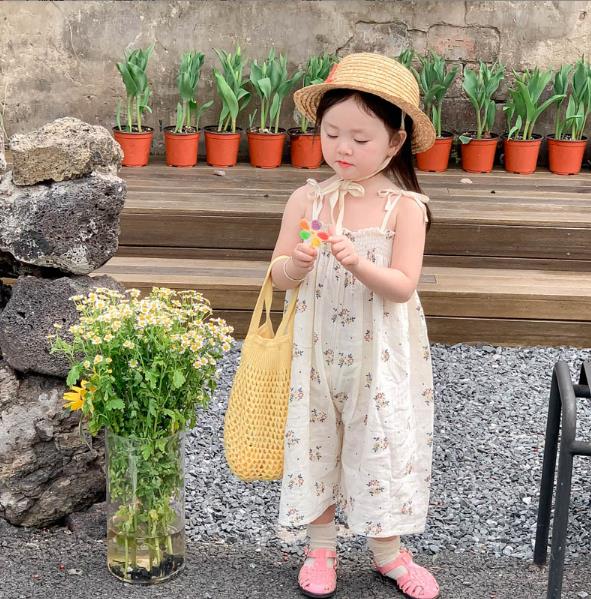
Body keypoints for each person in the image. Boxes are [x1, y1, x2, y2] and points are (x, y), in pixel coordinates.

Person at [270, 52, 439, 599]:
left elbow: (403, 286)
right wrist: (296, 264)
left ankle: (389, 552)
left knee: (379, 444)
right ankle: (320, 549)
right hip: (314, 348)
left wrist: (357, 262)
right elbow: (277, 276)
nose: (342, 148)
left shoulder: (403, 208)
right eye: (332, 133)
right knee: (315, 440)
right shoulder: (308, 198)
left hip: (379, 355)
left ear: (394, 143)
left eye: (361, 139)